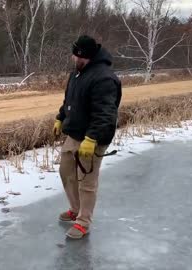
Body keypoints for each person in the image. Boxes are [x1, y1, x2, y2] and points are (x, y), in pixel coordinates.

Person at [53, 35, 122, 239]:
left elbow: (106, 113)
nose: (75, 60)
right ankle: (75, 208)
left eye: (79, 57)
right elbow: (69, 100)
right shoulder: (77, 73)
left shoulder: (104, 78)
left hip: (93, 137)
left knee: (87, 181)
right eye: (74, 56)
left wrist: (92, 138)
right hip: (74, 132)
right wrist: (60, 117)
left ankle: (84, 222)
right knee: (66, 172)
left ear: (90, 57)